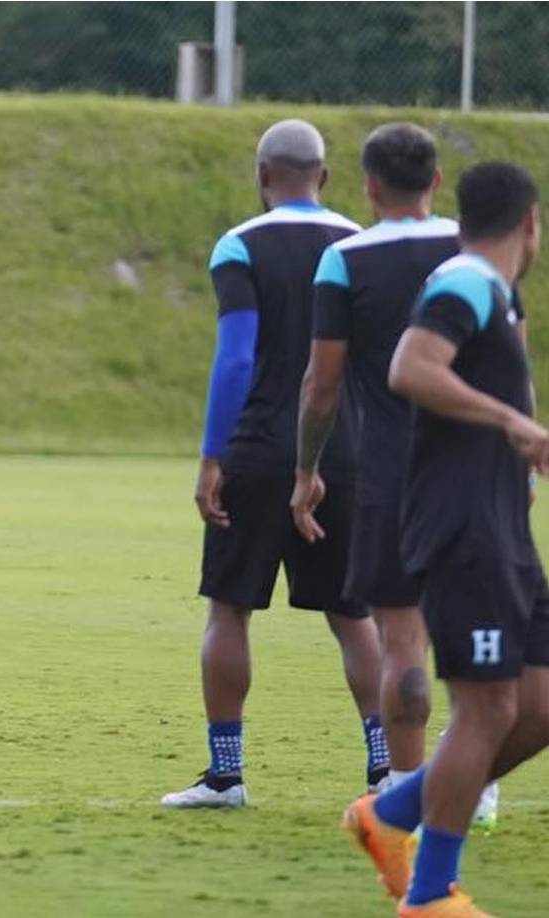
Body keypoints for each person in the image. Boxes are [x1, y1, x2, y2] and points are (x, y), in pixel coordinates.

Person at [343, 162, 549, 918]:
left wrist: (516, 445)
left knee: (539, 706)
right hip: (462, 528)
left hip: (501, 527)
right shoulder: (463, 281)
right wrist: (511, 421)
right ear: (531, 222)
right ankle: (430, 894)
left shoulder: (492, 291)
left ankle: (389, 814)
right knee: (487, 710)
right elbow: (411, 366)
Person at [162, 120, 386, 809]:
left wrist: (210, 456)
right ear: (325, 175)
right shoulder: (360, 243)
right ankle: (386, 769)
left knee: (230, 609)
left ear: (262, 175)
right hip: (345, 451)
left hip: (257, 451)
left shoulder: (241, 245)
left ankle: (226, 774)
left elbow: (236, 357)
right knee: (355, 615)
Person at [294, 123, 510, 829]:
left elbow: (322, 385)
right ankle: (473, 781)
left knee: (402, 641)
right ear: (438, 182)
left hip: (388, 480)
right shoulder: (472, 252)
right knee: (476, 629)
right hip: (475, 475)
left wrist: (306, 471)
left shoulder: (343, 259)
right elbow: (514, 358)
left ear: (370, 186)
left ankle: (407, 785)